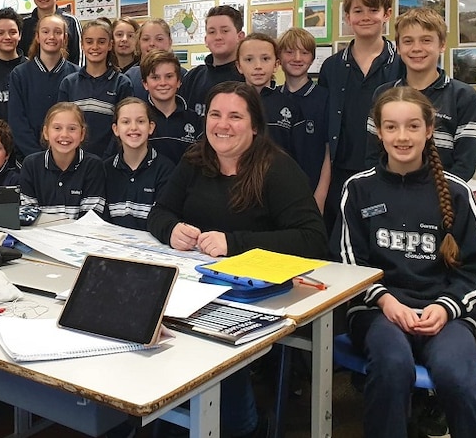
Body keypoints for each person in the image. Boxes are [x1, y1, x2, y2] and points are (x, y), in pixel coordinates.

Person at [147, 81, 327, 438]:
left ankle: (243, 427)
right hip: (195, 285)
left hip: (256, 297)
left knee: (211, 350)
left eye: (235, 116)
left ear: (255, 125)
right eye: (215, 114)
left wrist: (234, 243)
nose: (222, 125)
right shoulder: (195, 159)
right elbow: (160, 211)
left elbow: (312, 240)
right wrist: (171, 229)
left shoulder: (277, 168)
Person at [333, 86, 476, 438]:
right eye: (391, 127)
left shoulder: (456, 192)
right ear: (378, 131)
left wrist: (446, 307)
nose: (402, 137)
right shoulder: (358, 189)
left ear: (429, 128)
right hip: (379, 312)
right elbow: (348, 265)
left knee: (459, 378)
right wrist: (385, 301)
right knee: (392, 367)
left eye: (412, 126)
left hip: (444, 314)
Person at [318, 0, 402, 232]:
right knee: (338, 240)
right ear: (347, 17)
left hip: (387, 170)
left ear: (386, 14)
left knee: (380, 238)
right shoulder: (331, 67)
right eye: (358, 11)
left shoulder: (401, 64)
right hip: (339, 172)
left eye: (373, 10)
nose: (365, 17)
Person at [366, 7, 476, 182]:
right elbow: (373, 155)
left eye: (426, 40)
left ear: (442, 45)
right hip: (390, 195)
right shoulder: (384, 94)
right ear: (398, 47)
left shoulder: (463, 96)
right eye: (408, 41)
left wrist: (434, 195)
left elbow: (466, 162)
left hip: (443, 199)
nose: (417, 48)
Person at [8, 14, 79, 162]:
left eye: (57, 32)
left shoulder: (77, 75)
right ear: (37, 37)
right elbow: (17, 121)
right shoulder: (20, 74)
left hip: (68, 157)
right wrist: (37, 156)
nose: (51, 36)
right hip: (30, 159)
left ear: (65, 38)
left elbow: (78, 120)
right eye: (46, 32)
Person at [58, 18, 133, 157]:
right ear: (82, 45)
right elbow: (63, 124)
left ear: (110, 45)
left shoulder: (122, 83)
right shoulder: (68, 83)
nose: (95, 46)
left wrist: (107, 158)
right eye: (89, 41)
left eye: (101, 41)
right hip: (74, 160)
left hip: (109, 162)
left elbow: (124, 127)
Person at [275, 27, 331, 213]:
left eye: (304, 52)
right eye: (289, 52)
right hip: (276, 195)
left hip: (312, 194)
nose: (297, 58)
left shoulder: (324, 98)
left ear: (313, 58)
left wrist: (320, 197)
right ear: (278, 58)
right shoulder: (272, 98)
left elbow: (329, 152)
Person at [19, 102, 105, 220]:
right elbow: (28, 217)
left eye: (72, 128)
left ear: (82, 134)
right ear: (46, 132)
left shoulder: (93, 166)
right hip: (41, 236)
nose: (64, 134)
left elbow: (91, 220)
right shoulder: (31, 165)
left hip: (81, 237)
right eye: (57, 128)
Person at [103, 97, 174, 230]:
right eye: (126, 122)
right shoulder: (105, 170)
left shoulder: (165, 170)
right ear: (116, 129)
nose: (133, 127)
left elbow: (164, 218)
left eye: (140, 121)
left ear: (151, 127)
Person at [179, 6, 246, 116]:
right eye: (212, 32)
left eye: (225, 31)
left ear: (240, 37)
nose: (218, 37)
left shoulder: (248, 77)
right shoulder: (193, 77)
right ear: (206, 40)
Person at [140, 49, 201, 165]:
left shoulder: (195, 120)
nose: (163, 83)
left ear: (178, 81)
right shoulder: (138, 120)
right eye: (155, 77)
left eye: (169, 76)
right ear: (145, 84)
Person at [19, 0, 83, 66]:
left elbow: (79, 56)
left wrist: (75, 80)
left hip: (66, 79)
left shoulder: (71, 21)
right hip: (31, 79)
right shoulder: (24, 23)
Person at [126, 18, 186, 101]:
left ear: (170, 42)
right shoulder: (130, 77)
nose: (152, 44)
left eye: (159, 39)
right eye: (146, 39)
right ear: (139, 43)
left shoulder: (184, 75)